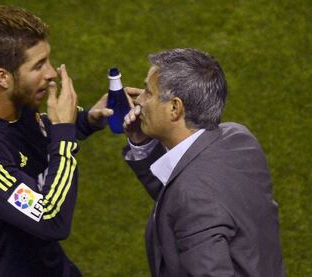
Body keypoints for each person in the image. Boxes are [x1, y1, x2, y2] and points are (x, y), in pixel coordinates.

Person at [0, 5, 112, 276]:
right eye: (38, 65)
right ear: (2, 77)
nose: (51, 73)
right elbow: (50, 218)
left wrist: (86, 120)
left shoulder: (8, 100)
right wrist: (64, 133)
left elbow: (34, 135)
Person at [122, 48, 285, 276]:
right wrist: (142, 143)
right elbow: (183, 185)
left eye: (149, 92)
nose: (139, 100)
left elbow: (190, 198)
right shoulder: (239, 138)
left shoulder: (193, 200)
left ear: (175, 108)